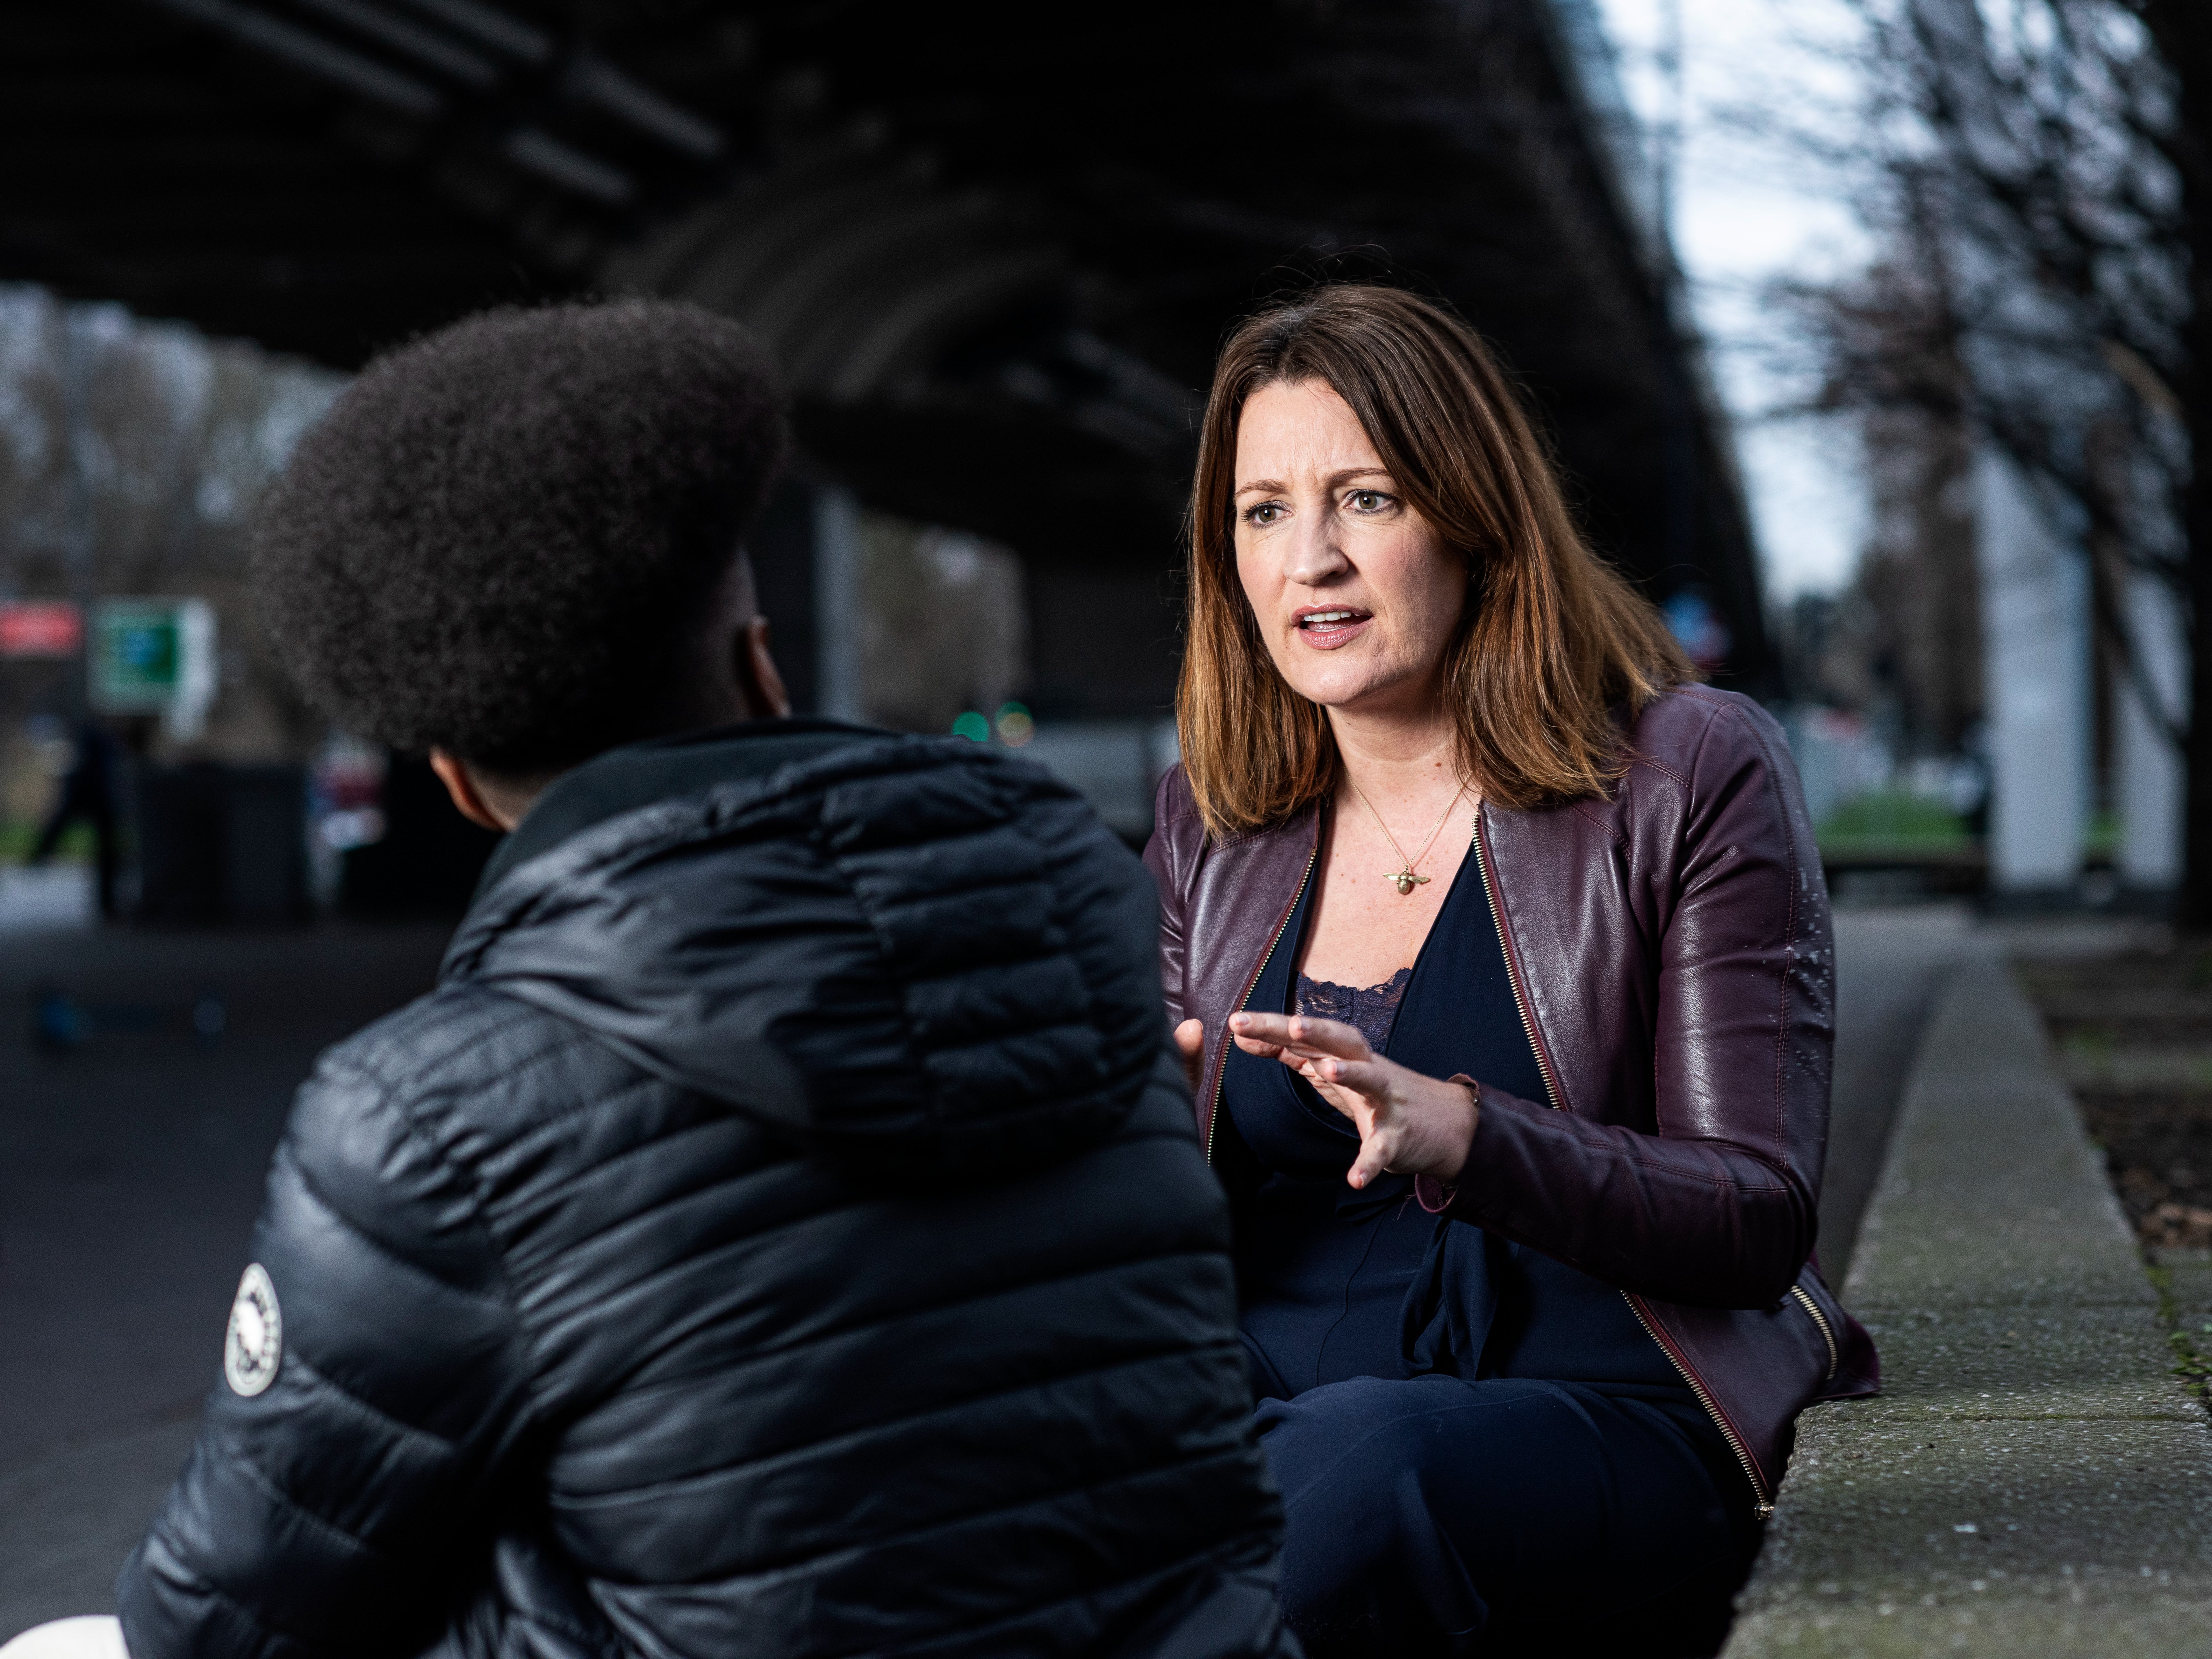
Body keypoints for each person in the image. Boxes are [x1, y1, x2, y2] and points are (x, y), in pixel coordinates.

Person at [106, 301, 1296, 1659]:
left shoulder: (423, 1112)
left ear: (452, 780)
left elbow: (224, 1620)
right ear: (759, 662)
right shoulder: (1089, 907)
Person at [1143, 285, 1879, 1658]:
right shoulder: (1210, 817)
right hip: (1266, 1388)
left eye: (1362, 499)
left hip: (1601, 1399)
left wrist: (1471, 1133)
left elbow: (1754, 1212)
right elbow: (1154, 1243)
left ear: (1472, 513)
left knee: (1345, 1481)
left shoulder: (1683, 771)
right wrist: (1111, 1138)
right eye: (1262, 511)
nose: (1310, 558)